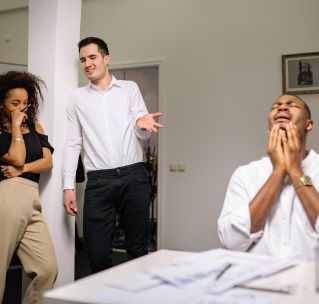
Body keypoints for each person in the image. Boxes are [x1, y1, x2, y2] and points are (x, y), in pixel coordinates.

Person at [62, 37, 163, 272]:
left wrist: (142, 125)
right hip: (99, 181)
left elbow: (144, 133)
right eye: (83, 60)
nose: (87, 63)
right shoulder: (76, 98)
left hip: (134, 177)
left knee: (138, 250)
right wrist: (68, 186)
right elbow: (72, 142)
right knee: (96, 255)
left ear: (106, 59)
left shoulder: (130, 89)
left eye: (92, 57)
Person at [218, 94, 319, 260]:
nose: (282, 107)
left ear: (308, 124)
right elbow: (230, 241)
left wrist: (295, 171)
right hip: (254, 280)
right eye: (275, 106)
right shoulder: (244, 174)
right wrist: (278, 172)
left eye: (292, 105)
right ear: (269, 125)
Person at [0, 71, 58, 303]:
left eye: (25, 103)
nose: (21, 108)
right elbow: (16, 156)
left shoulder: (35, 126)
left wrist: (23, 169)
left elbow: (48, 162)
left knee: (47, 269)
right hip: (7, 196)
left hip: (31, 199)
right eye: (15, 103)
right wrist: (15, 126)